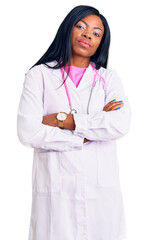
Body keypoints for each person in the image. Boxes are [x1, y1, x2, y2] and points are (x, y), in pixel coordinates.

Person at [17, 5, 131, 240]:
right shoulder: (38, 76)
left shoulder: (108, 79)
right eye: (81, 26)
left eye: (97, 33)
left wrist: (64, 121)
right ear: (68, 29)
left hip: (101, 197)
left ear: (101, 43)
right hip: (55, 196)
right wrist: (89, 134)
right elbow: (28, 131)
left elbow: (120, 123)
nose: (88, 34)